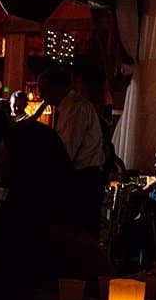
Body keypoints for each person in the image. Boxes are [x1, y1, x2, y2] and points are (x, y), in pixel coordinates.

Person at [0, 121, 113, 300]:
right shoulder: (71, 212)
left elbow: (1, 286)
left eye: (1, 155)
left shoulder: (19, 220)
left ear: (21, 162)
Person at [36, 66, 105, 237]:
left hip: (82, 179)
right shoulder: (68, 108)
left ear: (57, 87)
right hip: (81, 177)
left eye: (43, 88)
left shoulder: (76, 109)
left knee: (79, 233)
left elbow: (66, 150)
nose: (41, 94)